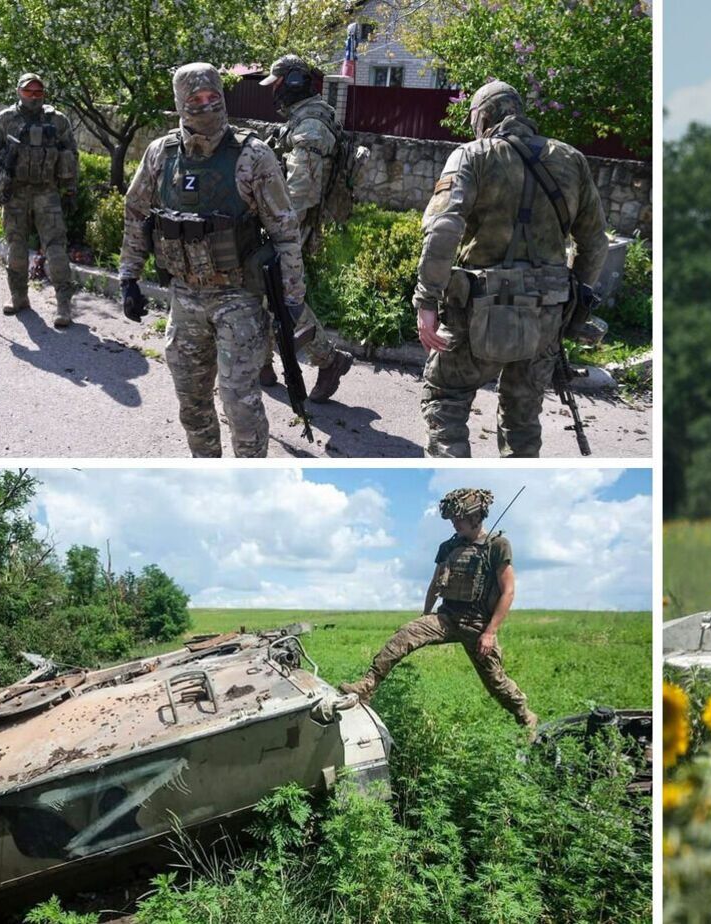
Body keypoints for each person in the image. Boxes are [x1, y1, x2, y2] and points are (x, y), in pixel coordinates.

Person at [116, 63, 307, 457]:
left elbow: (285, 232)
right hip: (184, 299)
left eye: (212, 98)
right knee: (192, 403)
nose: (205, 107)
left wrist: (292, 300)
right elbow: (136, 213)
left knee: (240, 403)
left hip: (237, 297)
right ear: (181, 105)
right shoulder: (161, 154)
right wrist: (128, 277)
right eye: (195, 101)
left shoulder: (253, 156)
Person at [412, 79, 609, 457]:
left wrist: (427, 301)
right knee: (523, 417)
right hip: (545, 317)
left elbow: (444, 227)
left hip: (479, 312)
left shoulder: (471, 156)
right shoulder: (571, 159)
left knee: (446, 401)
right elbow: (595, 242)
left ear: (483, 116)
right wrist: (574, 305)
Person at [340, 488, 538, 730]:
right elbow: (435, 584)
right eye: (452, 519)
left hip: (477, 624)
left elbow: (508, 591)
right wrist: (424, 618)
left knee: (495, 681)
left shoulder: (497, 545)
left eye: (459, 518)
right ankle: (367, 686)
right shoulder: (448, 547)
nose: (454, 524)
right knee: (404, 635)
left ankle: (525, 717)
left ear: (476, 517)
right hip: (447, 617)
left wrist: (490, 632)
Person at [254, 54, 354, 402]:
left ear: (293, 84)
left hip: (290, 228)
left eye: (278, 85)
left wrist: (274, 229)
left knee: (284, 299)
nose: (275, 93)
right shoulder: (305, 118)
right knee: (265, 293)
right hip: (285, 224)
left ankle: (329, 361)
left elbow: (300, 195)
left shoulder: (311, 126)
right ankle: (261, 364)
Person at [0, 73, 79, 327]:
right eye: (28, 91)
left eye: (38, 92)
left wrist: (70, 190)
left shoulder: (58, 120)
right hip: (15, 193)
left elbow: (71, 156)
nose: (33, 96)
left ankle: (63, 306)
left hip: (47, 192)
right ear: (18, 92)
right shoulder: (4, 119)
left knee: (55, 247)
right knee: (16, 247)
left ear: (43, 94)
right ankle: (19, 297)